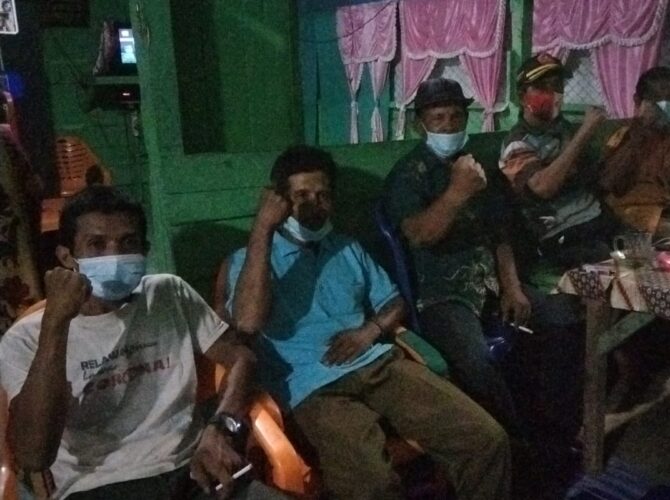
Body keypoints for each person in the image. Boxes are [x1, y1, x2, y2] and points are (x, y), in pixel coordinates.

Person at [225, 145, 511, 500]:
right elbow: (247, 322)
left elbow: (394, 301)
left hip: (377, 363)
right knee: (373, 486)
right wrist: (263, 227)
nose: (314, 204)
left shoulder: (347, 248)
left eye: (322, 195)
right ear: (280, 200)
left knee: (486, 439)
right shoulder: (250, 259)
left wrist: (369, 332)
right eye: (301, 195)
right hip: (313, 387)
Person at [0, 186, 286, 500]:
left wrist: (222, 426)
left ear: (145, 250)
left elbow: (242, 357)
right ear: (67, 256)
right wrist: (56, 324)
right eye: (96, 244)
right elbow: (33, 456)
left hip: (192, 472)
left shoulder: (169, 294)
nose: (114, 256)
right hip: (98, 489)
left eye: (128, 243)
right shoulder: (26, 338)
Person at [383, 78, 584, 461]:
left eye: (456, 117)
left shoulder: (478, 166)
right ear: (420, 124)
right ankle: (514, 445)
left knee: (565, 318)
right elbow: (420, 235)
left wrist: (512, 286)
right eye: (438, 118)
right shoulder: (409, 175)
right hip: (441, 294)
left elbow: (500, 233)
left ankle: (558, 424)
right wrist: (457, 192)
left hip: (491, 283)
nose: (449, 126)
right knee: (475, 360)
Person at [499, 53, 616, 272]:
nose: (552, 93)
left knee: (644, 247)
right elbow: (543, 188)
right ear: (522, 96)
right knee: (605, 264)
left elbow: (596, 176)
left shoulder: (563, 129)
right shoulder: (517, 143)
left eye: (557, 86)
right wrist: (585, 132)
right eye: (541, 87)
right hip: (561, 234)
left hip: (596, 218)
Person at [598, 66, 670, 239]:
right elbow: (609, 183)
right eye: (656, 99)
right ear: (638, 101)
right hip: (631, 212)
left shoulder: (666, 138)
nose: (664, 105)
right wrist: (641, 133)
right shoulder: (623, 135)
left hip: (666, 211)